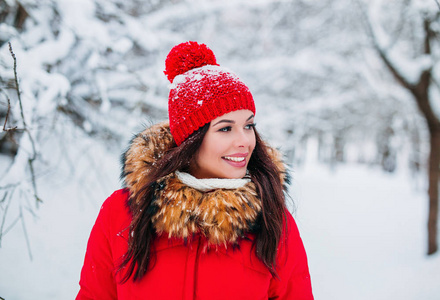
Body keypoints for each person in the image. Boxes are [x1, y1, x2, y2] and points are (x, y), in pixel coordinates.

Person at [76, 41, 314, 300]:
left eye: (248, 125)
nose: (245, 141)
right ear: (190, 139)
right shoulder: (121, 213)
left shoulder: (271, 219)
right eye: (225, 128)